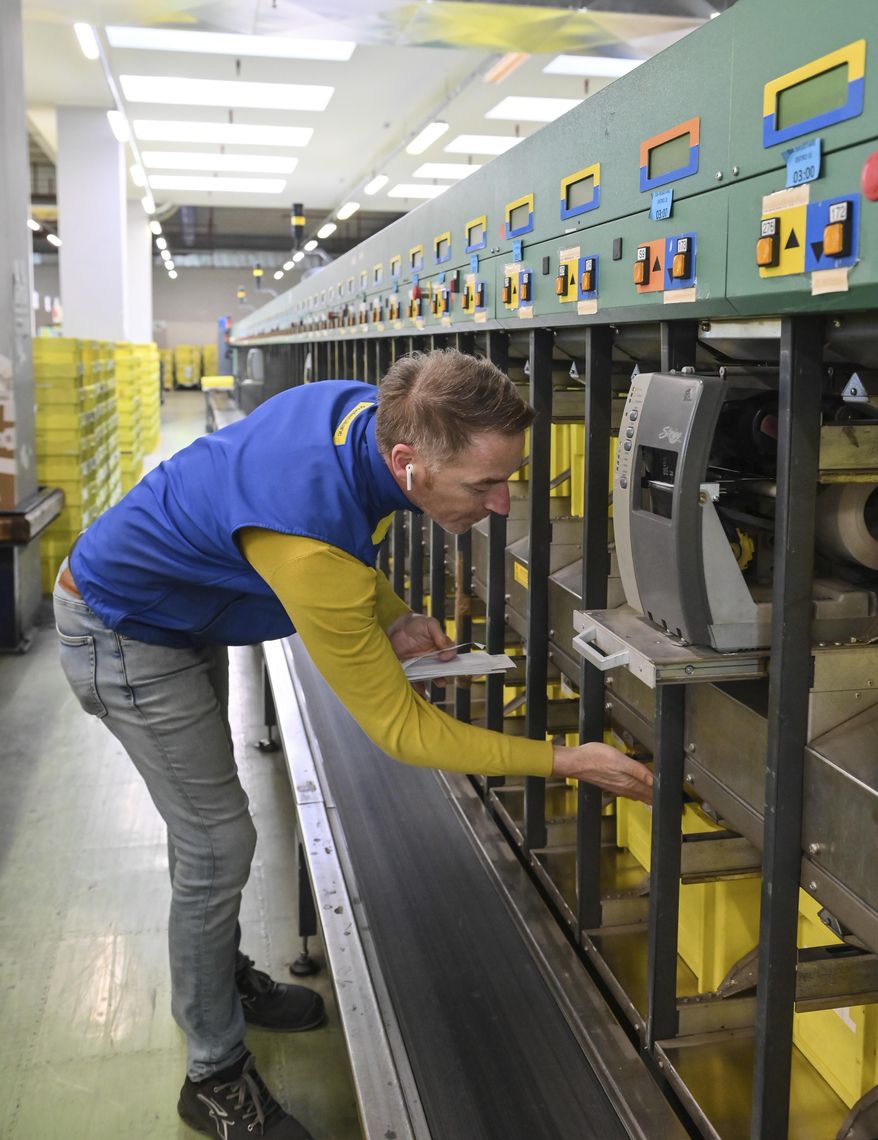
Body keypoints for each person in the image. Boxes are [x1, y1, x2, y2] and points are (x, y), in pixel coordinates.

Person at [53, 348, 653, 1139]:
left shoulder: (357, 412)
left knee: (208, 835)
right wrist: (568, 760)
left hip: (175, 609)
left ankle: (220, 978)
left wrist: (394, 615)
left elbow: (352, 526)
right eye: (480, 485)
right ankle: (213, 1074)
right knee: (217, 844)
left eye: (508, 477)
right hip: (122, 633)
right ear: (409, 463)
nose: (501, 503)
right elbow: (400, 730)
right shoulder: (309, 553)